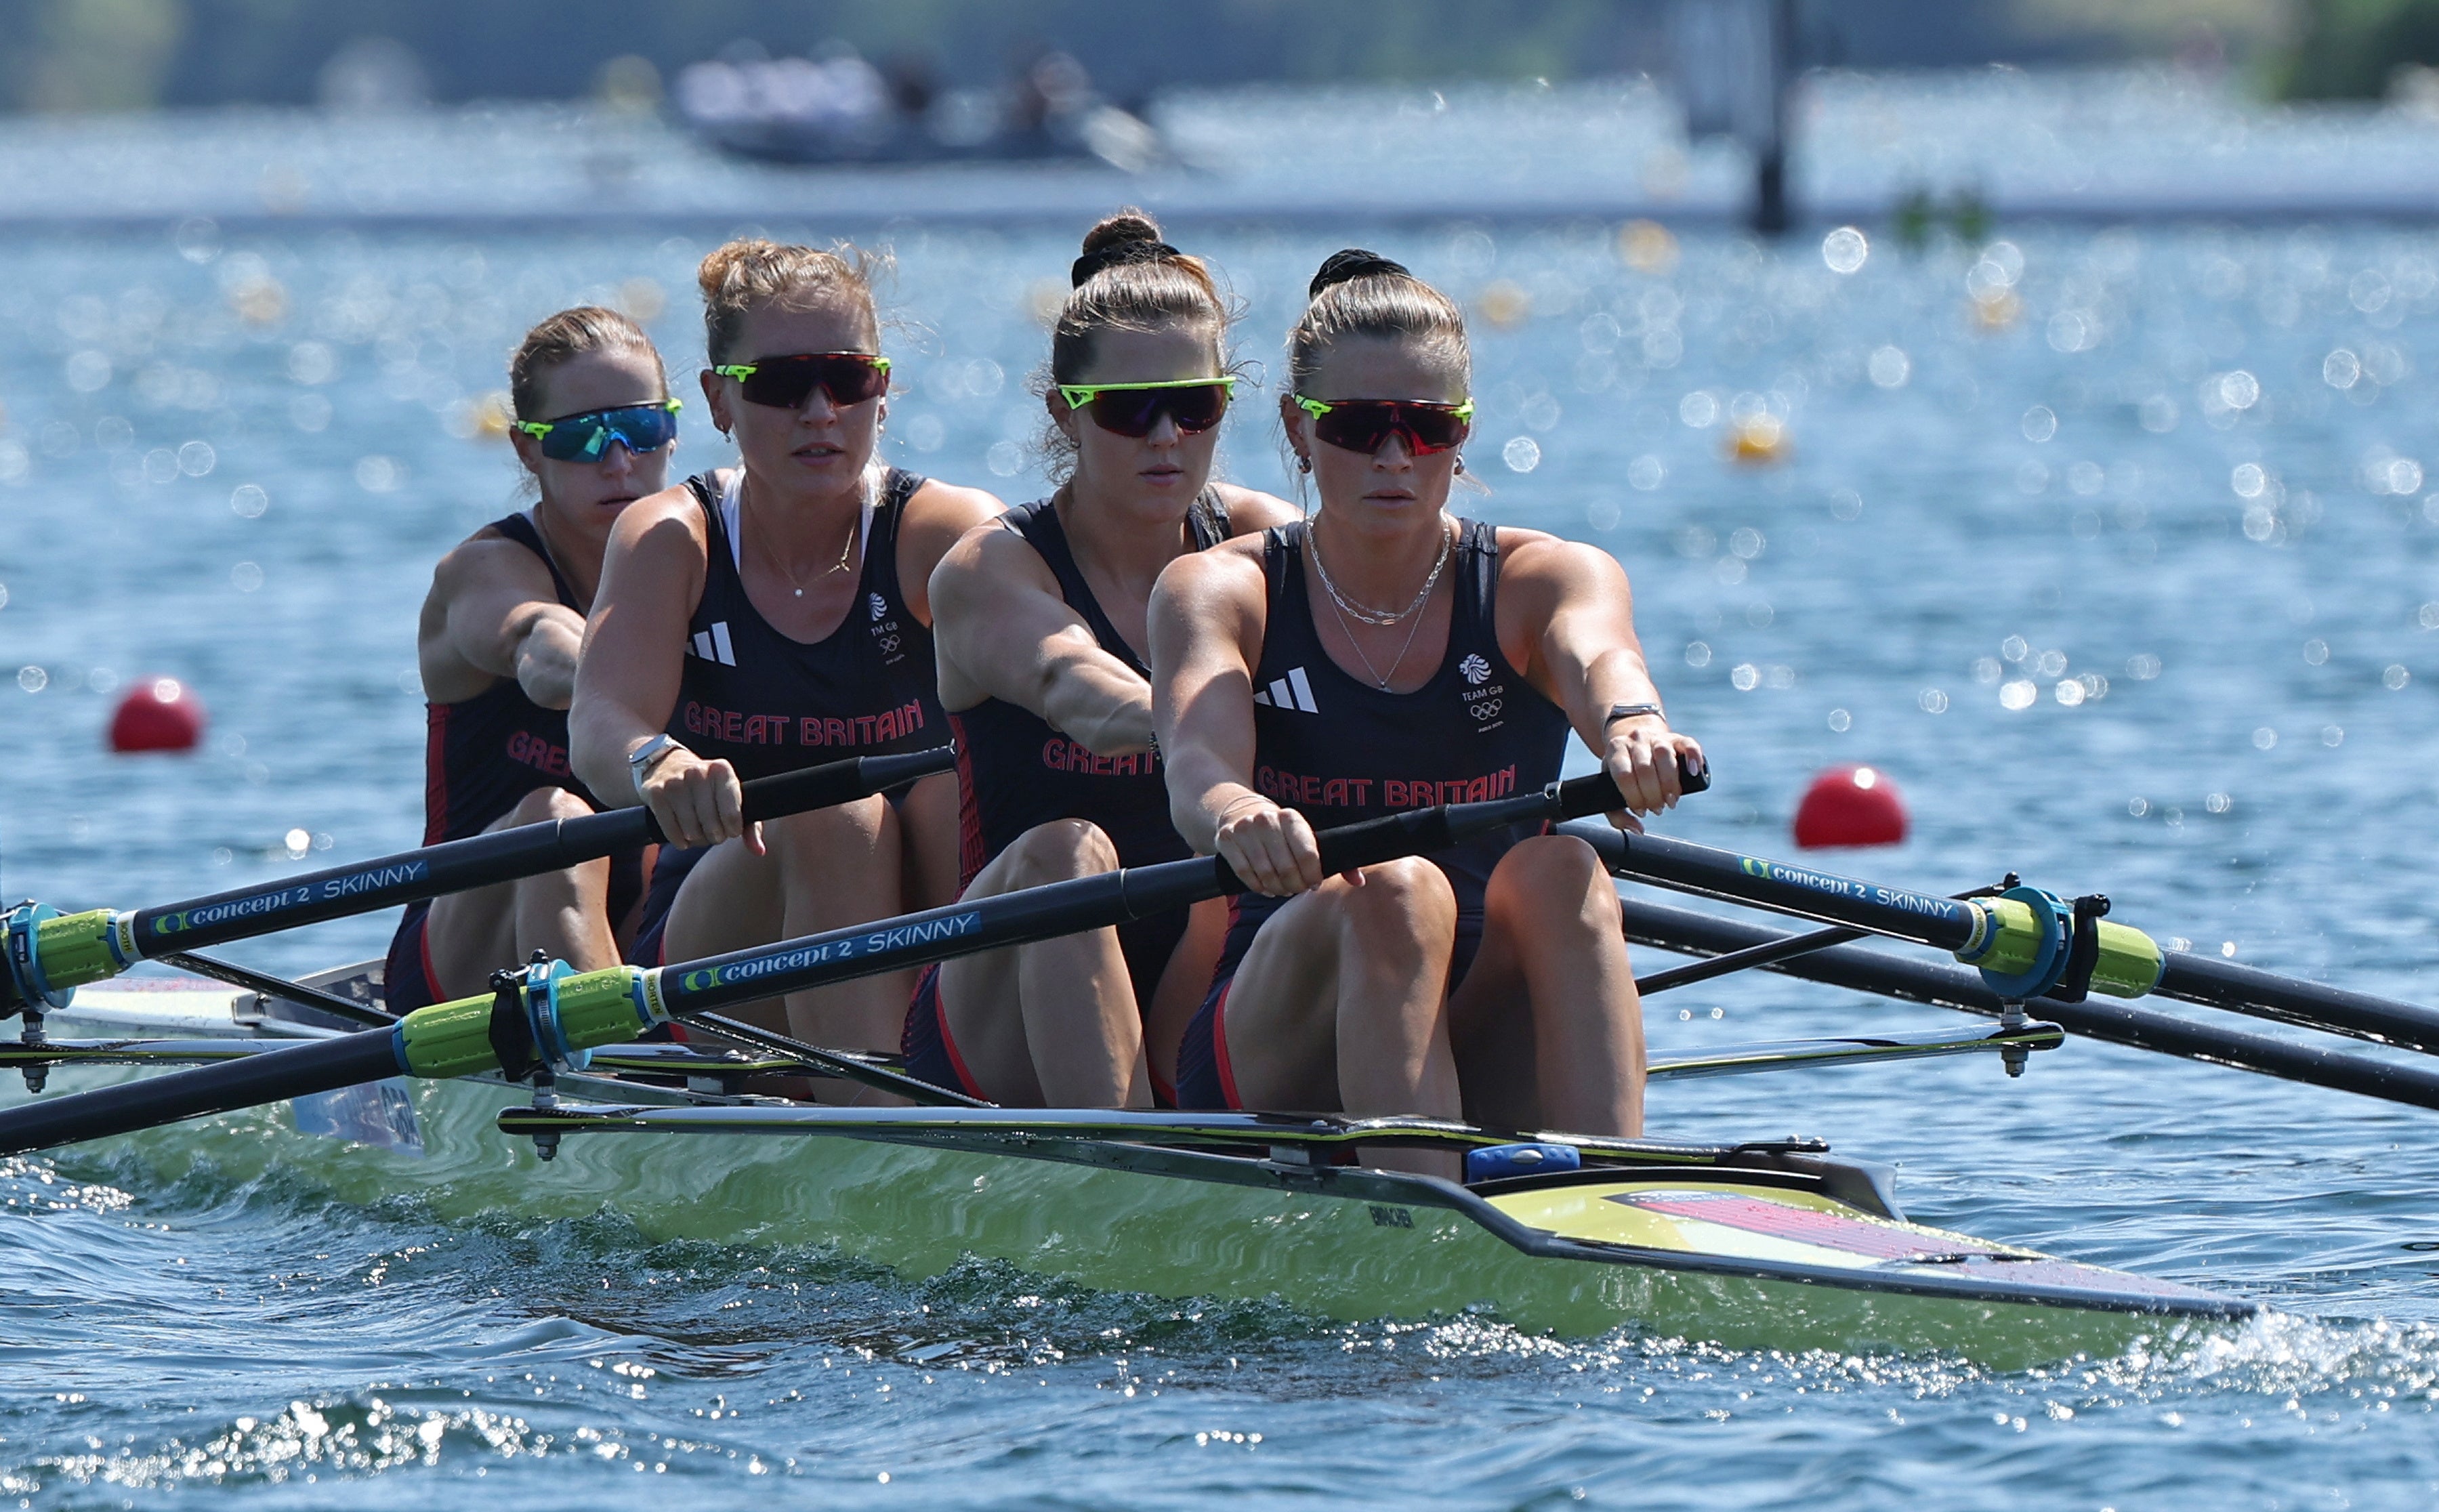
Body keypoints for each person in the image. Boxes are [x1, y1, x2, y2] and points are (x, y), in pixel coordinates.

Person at [1148, 250, 1703, 1167]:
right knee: (1400, 889)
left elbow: (1603, 656)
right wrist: (1236, 813)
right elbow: (1197, 767)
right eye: (1361, 427)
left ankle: (1621, 1206)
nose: (1397, 456)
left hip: (1474, 1018)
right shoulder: (1221, 589)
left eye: (1429, 426)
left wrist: (1632, 727)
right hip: (1281, 1042)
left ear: (1463, 431)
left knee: (1565, 869)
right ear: (1297, 426)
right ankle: (1428, 1229)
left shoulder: (1544, 577)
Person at [569, 240, 1001, 1057]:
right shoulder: (672, 536)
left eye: (845, 380)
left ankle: (934, 1088)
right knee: (834, 814)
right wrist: (655, 761)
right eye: (778, 384)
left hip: (916, 929)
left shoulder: (946, 533)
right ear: (718, 401)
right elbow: (599, 723)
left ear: (882, 392)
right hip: (717, 954)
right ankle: (885, 1121)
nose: (818, 412)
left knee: (954, 798)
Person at [911, 210, 1297, 1108]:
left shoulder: (1266, 545)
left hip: (1203, 963)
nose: (1166, 436)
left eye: (1192, 406)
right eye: (1130, 409)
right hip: (1000, 1006)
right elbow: (1070, 683)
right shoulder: (990, 569)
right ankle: (1135, 1178)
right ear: (1064, 411)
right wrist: (1203, 742)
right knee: (1066, 851)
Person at [385, 307, 679, 1012]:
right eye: (582, 438)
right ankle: (619, 1076)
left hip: (646, 924)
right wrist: (620, 687)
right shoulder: (486, 572)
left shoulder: (707, 562)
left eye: (640, 429)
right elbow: (538, 645)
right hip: (462, 959)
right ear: (526, 448)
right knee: (558, 819)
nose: (618, 462)